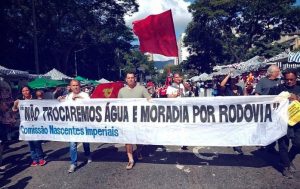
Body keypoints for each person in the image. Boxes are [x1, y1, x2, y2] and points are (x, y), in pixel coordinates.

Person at [269, 69, 300, 178]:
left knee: (298, 144)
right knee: (283, 146)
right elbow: (269, 101)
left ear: (296, 78)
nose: (289, 81)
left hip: (297, 122)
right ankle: (285, 167)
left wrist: (297, 98)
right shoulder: (278, 89)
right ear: (284, 79)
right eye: (287, 80)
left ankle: (288, 159)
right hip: (282, 122)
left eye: (292, 79)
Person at [118, 71, 151, 170]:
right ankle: (130, 160)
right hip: (126, 119)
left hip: (139, 119)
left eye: (132, 77)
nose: (130, 79)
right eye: (128, 78)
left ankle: (139, 150)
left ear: (135, 78)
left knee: (138, 139)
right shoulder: (121, 91)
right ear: (126, 79)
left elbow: (149, 100)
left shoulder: (142, 89)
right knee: (128, 140)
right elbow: (118, 105)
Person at [58, 80, 92, 173]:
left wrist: (79, 97)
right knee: (73, 145)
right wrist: (60, 99)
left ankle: (88, 155)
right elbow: (63, 104)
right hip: (72, 124)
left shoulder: (85, 95)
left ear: (80, 86)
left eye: (77, 85)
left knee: (85, 141)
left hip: (83, 123)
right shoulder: (68, 96)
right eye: (73, 85)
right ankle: (73, 163)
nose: (75, 87)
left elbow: (91, 104)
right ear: (70, 87)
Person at [12, 86, 46, 167]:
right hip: (26, 125)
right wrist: (15, 105)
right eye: (23, 91)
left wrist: (40, 101)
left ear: (30, 91)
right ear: (22, 92)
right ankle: (34, 159)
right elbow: (14, 110)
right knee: (30, 143)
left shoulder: (34, 99)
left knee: (36, 142)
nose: (25, 92)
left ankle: (41, 158)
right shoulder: (20, 101)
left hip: (36, 124)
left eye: (27, 90)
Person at [255, 65, 281, 154]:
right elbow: (257, 94)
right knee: (265, 126)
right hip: (265, 108)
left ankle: (271, 145)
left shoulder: (279, 81)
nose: (279, 73)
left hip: (277, 108)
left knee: (274, 126)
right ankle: (263, 142)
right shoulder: (262, 81)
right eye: (277, 71)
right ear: (272, 73)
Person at [220, 72, 244, 155]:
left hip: (239, 113)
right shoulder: (227, 89)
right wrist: (229, 75)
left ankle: (238, 146)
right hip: (229, 113)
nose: (234, 81)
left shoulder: (240, 88)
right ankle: (232, 142)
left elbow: (246, 98)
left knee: (239, 129)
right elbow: (222, 84)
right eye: (232, 80)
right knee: (231, 129)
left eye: (235, 79)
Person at [166, 73, 189, 150]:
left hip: (183, 108)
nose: (178, 78)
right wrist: (175, 95)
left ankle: (183, 142)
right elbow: (168, 97)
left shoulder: (182, 85)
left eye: (179, 77)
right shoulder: (170, 87)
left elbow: (188, 91)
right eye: (176, 77)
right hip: (175, 108)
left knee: (183, 125)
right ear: (173, 79)